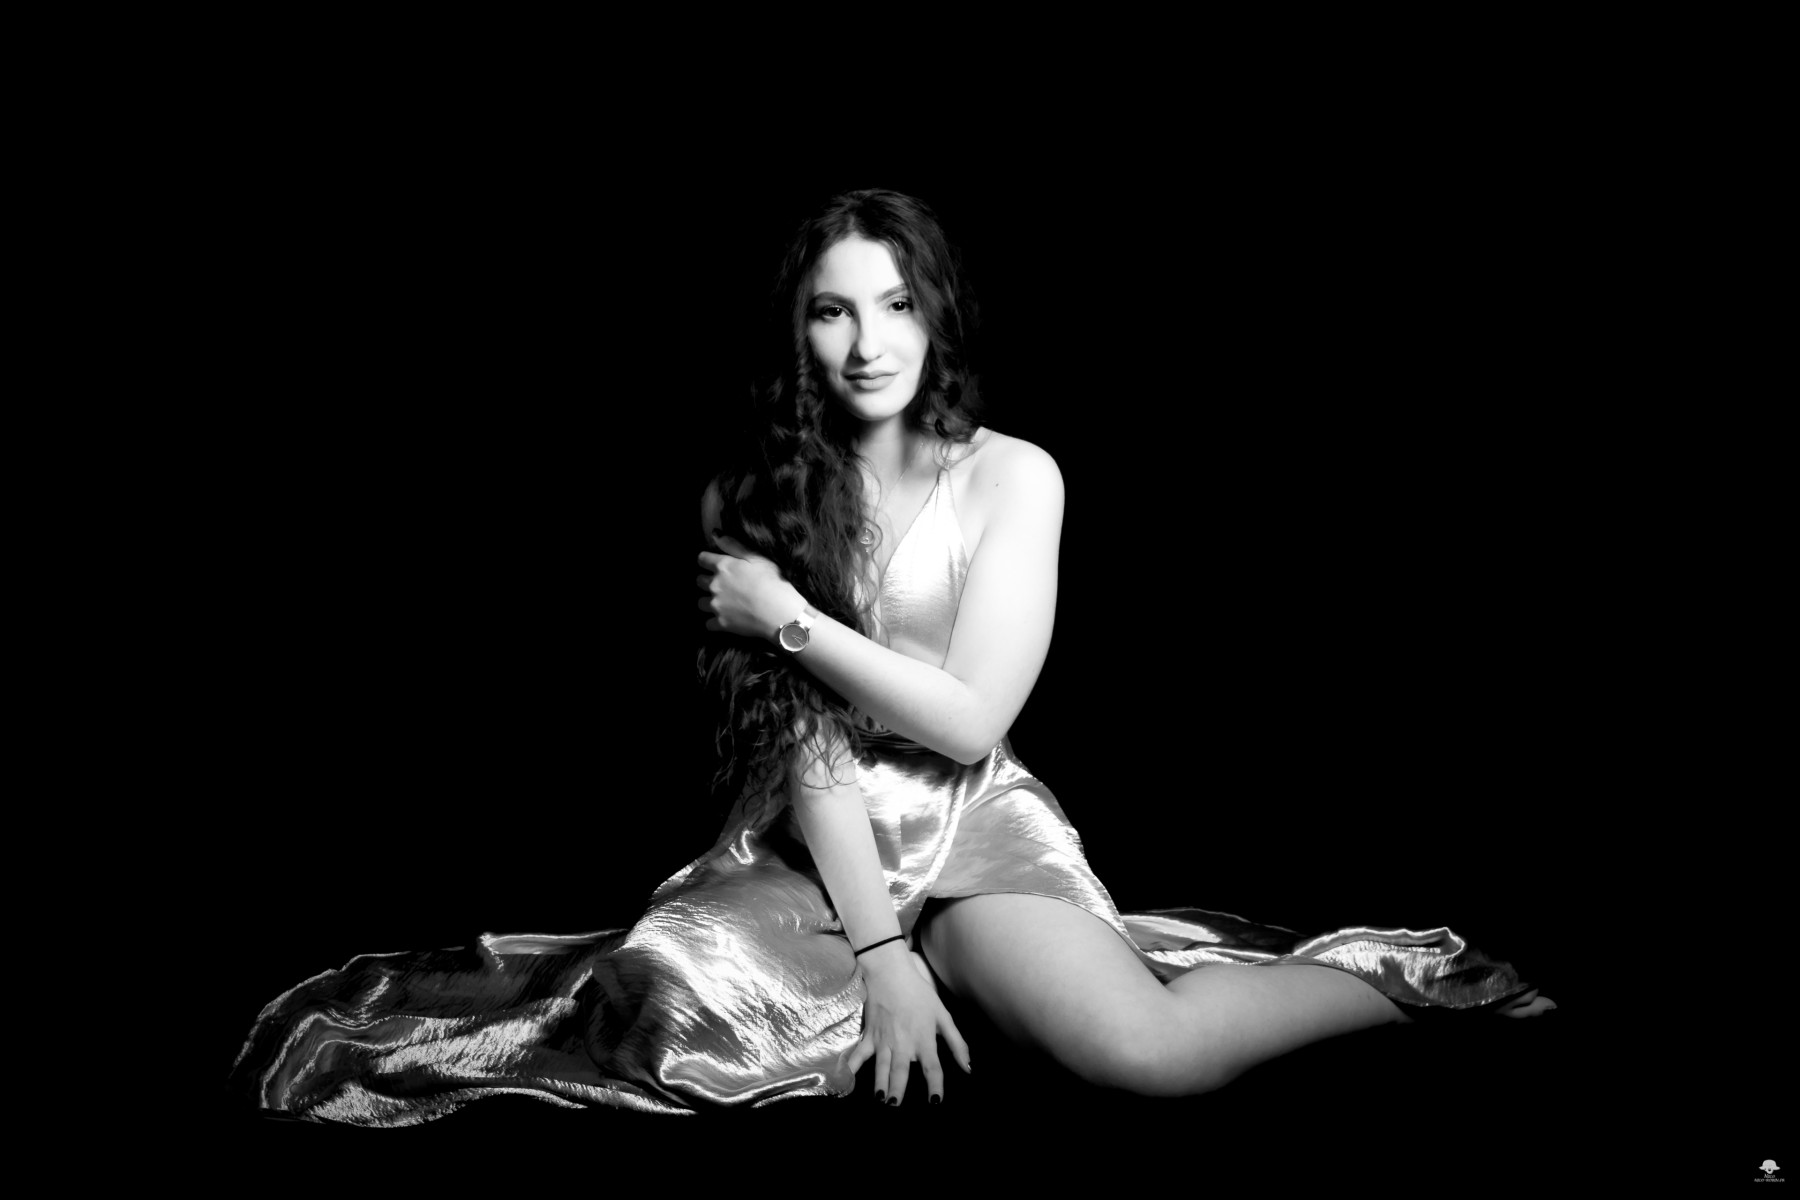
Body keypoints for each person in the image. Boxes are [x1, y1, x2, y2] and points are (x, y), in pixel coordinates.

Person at [227, 188, 1553, 1125]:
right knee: (646, 1024)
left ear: (938, 312)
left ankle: (1403, 983)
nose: (868, 346)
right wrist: (881, 951)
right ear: (796, 331)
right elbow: (804, 745)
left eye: (896, 304)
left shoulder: (1014, 477)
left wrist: (788, 618)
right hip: (817, 841)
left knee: (1146, 1052)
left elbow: (967, 723)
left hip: (972, 824)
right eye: (831, 314)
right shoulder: (751, 496)